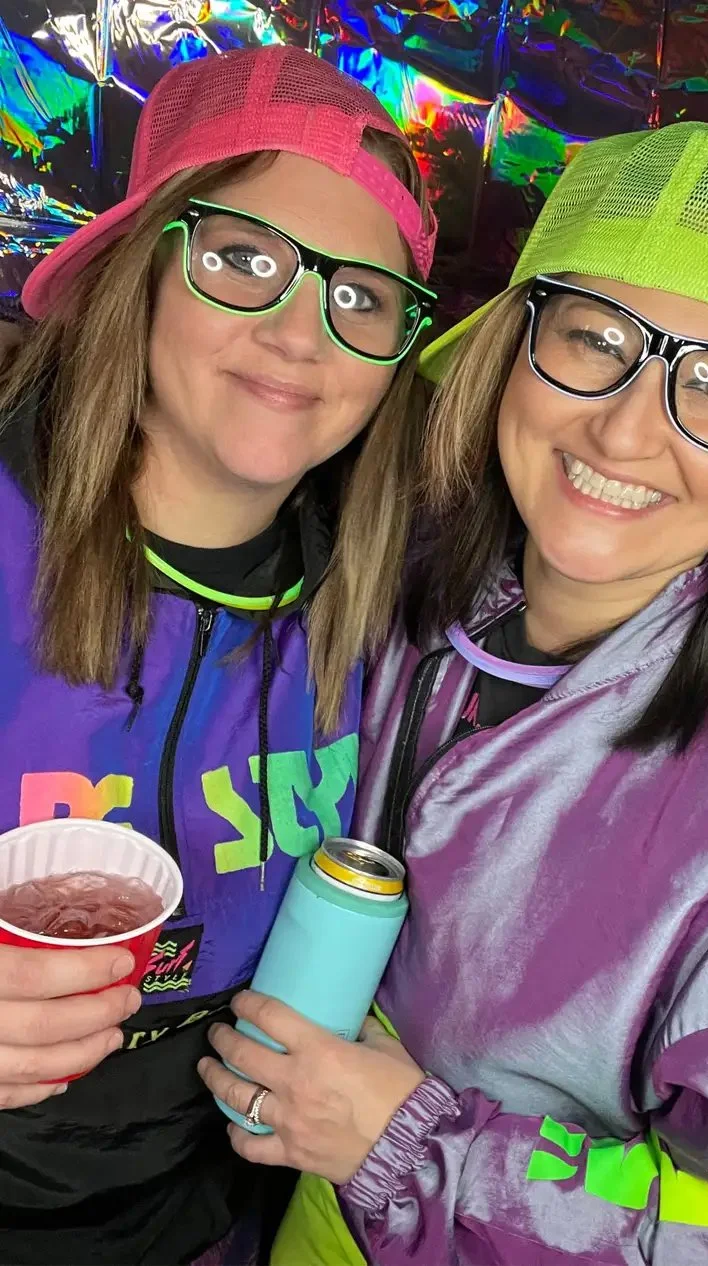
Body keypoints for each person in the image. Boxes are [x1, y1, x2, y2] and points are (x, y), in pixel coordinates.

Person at [200, 123, 708, 1264]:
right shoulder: (382, 602)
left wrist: (414, 1147)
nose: (628, 431)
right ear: (512, 341)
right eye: (594, 340)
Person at [0, 43, 436, 1266]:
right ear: (138, 272)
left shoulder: (391, 606)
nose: (302, 333)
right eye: (244, 259)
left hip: (221, 1219)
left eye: (359, 295)